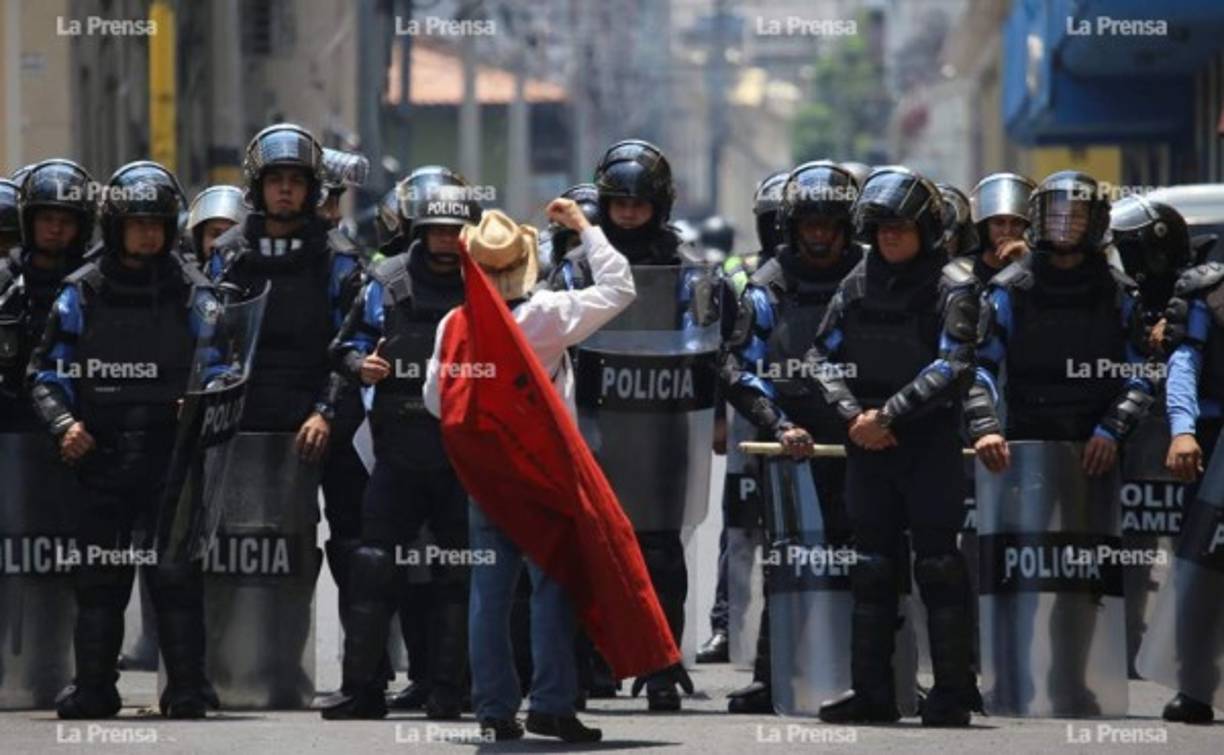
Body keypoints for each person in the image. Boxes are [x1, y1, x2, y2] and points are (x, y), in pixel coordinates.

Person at [420, 202, 633, 741]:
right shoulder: (547, 316)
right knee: (553, 589)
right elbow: (619, 286)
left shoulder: (454, 323)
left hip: (487, 480)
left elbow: (436, 402)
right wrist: (585, 227)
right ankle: (552, 705)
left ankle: (493, 711)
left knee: (488, 594)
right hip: (544, 476)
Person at [28, 161, 221, 719]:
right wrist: (64, 424)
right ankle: (93, 686)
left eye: (157, 223)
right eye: (137, 223)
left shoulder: (195, 293)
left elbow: (221, 363)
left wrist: (202, 398)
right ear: (115, 226)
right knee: (98, 578)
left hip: (170, 456)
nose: (148, 234)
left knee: (176, 577)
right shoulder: (80, 293)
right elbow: (45, 372)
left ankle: (186, 688)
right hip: (101, 455)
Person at [794, 166, 982, 726]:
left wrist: (890, 414)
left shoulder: (955, 284)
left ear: (925, 229)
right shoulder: (855, 282)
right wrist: (854, 415)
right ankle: (871, 692)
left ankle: (952, 693)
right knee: (872, 567)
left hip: (928, 444)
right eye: (879, 229)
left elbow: (955, 362)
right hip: (867, 444)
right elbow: (817, 358)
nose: (889, 238)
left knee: (940, 565)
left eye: (900, 227)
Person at [320, 166, 480, 720]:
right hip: (396, 450)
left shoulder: (487, 284)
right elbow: (342, 347)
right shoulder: (384, 281)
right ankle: (362, 689)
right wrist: (360, 364)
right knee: (372, 563)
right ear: (417, 231)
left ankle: (448, 690)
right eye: (435, 231)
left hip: (463, 456)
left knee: (456, 569)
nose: (445, 241)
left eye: (454, 231)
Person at [211, 123, 366, 695]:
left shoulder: (338, 257)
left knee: (353, 548)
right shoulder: (228, 255)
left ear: (311, 189)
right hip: (244, 422)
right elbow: (208, 338)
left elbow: (358, 341)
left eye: (295, 182)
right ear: (257, 186)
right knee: (239, 545)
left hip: (324, 416)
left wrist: (326, 410)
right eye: (274, 180)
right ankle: (231, 669)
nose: (284, 192)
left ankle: (359, 678)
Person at [719, 160, 864, 712]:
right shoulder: (767, 284)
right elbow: (736, 366)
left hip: (865, 438)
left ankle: (880, 674)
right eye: (810, 225)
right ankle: (774, 674)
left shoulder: (872, 277)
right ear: (791, 227)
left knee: (870, 558)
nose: (820, 235)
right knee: (788, 557)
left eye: (829, 224)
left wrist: (877, 420)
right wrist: (778, 422)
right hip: (789, 440)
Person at [1, 162, 96, 428]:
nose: (55, 229)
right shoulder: (5, 282)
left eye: (66, 221)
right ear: (28, 221)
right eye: (46, 219)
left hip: (80, 429)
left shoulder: (95, 286)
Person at [962, 172, 1036, 283]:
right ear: (985, 227)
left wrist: (1029, 261)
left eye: (1016, 223)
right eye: (999, 223)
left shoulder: (1036, 270)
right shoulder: (963, 271)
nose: (1007, 231)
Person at [185, 185, 246, 271]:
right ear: (199, 240)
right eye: (215, 234)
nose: (222, 243)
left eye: (231, 236)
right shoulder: (183, 278)